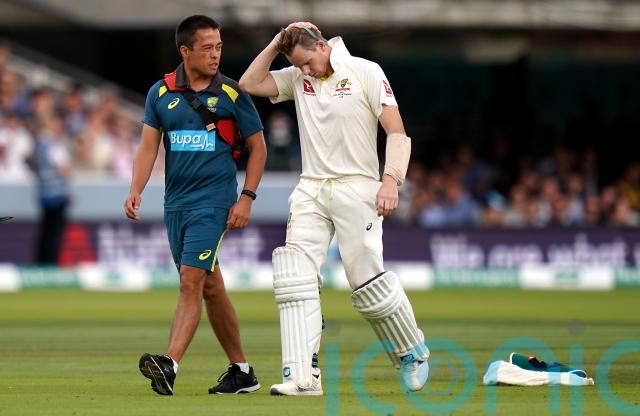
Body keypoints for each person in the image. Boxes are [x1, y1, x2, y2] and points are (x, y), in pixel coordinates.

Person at [239, 22, 429, 395]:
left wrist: (390, 180)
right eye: (299, 65)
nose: (305, 70)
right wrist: (278, 42)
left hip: (357, 186)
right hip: (311, 188)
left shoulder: (365, 71)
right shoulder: (297, 77)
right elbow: (249, 83)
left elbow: (396, 131)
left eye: (307, 62)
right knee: (295, 276)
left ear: (322, 46)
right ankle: (303, 377)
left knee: (366, 281)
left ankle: (412, 353)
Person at [124, 15, 267, 396]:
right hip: (176, 204)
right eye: (207, 48)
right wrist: (136, 188)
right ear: (185, 51)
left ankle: (169, 363)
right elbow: (148, 147)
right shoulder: (160, 93)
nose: (215, 54)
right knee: (210, 287)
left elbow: (258, 148)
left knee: (190, 281)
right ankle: (242, 372)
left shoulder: (233, 94)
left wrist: (246, 198)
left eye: (218, 47)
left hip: (214, 202)